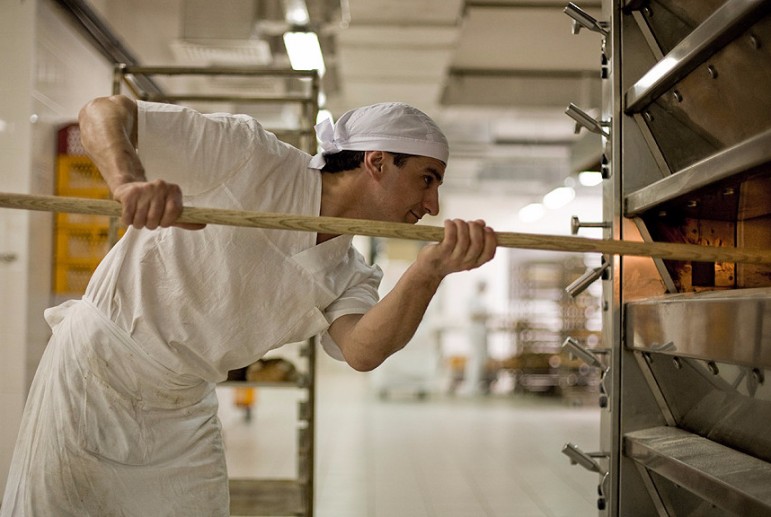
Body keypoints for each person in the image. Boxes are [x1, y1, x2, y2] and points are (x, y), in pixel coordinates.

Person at [1, 96, 497, 516]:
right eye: (428, 179)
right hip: (95, 374)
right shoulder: (249, 156)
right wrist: (128, 182)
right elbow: (104, 112)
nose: (433, 205)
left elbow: (361, 350)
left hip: (183, 405)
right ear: (377, 162)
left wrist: (429, 271)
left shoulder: (348, 269)